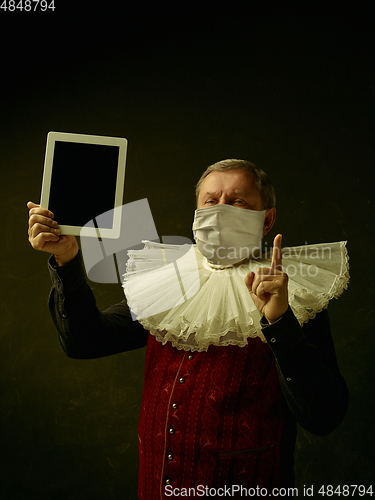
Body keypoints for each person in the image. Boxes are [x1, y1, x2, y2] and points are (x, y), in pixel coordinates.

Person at [27, 159, 348, 499]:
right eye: (211, 201)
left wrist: (280, 322)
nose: (221, 210)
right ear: (197, 212)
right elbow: (84, 341)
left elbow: (324, 416)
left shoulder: (294, 294)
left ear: (267, 219)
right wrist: (66, 260)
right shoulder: (167, 280)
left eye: (237, 201)